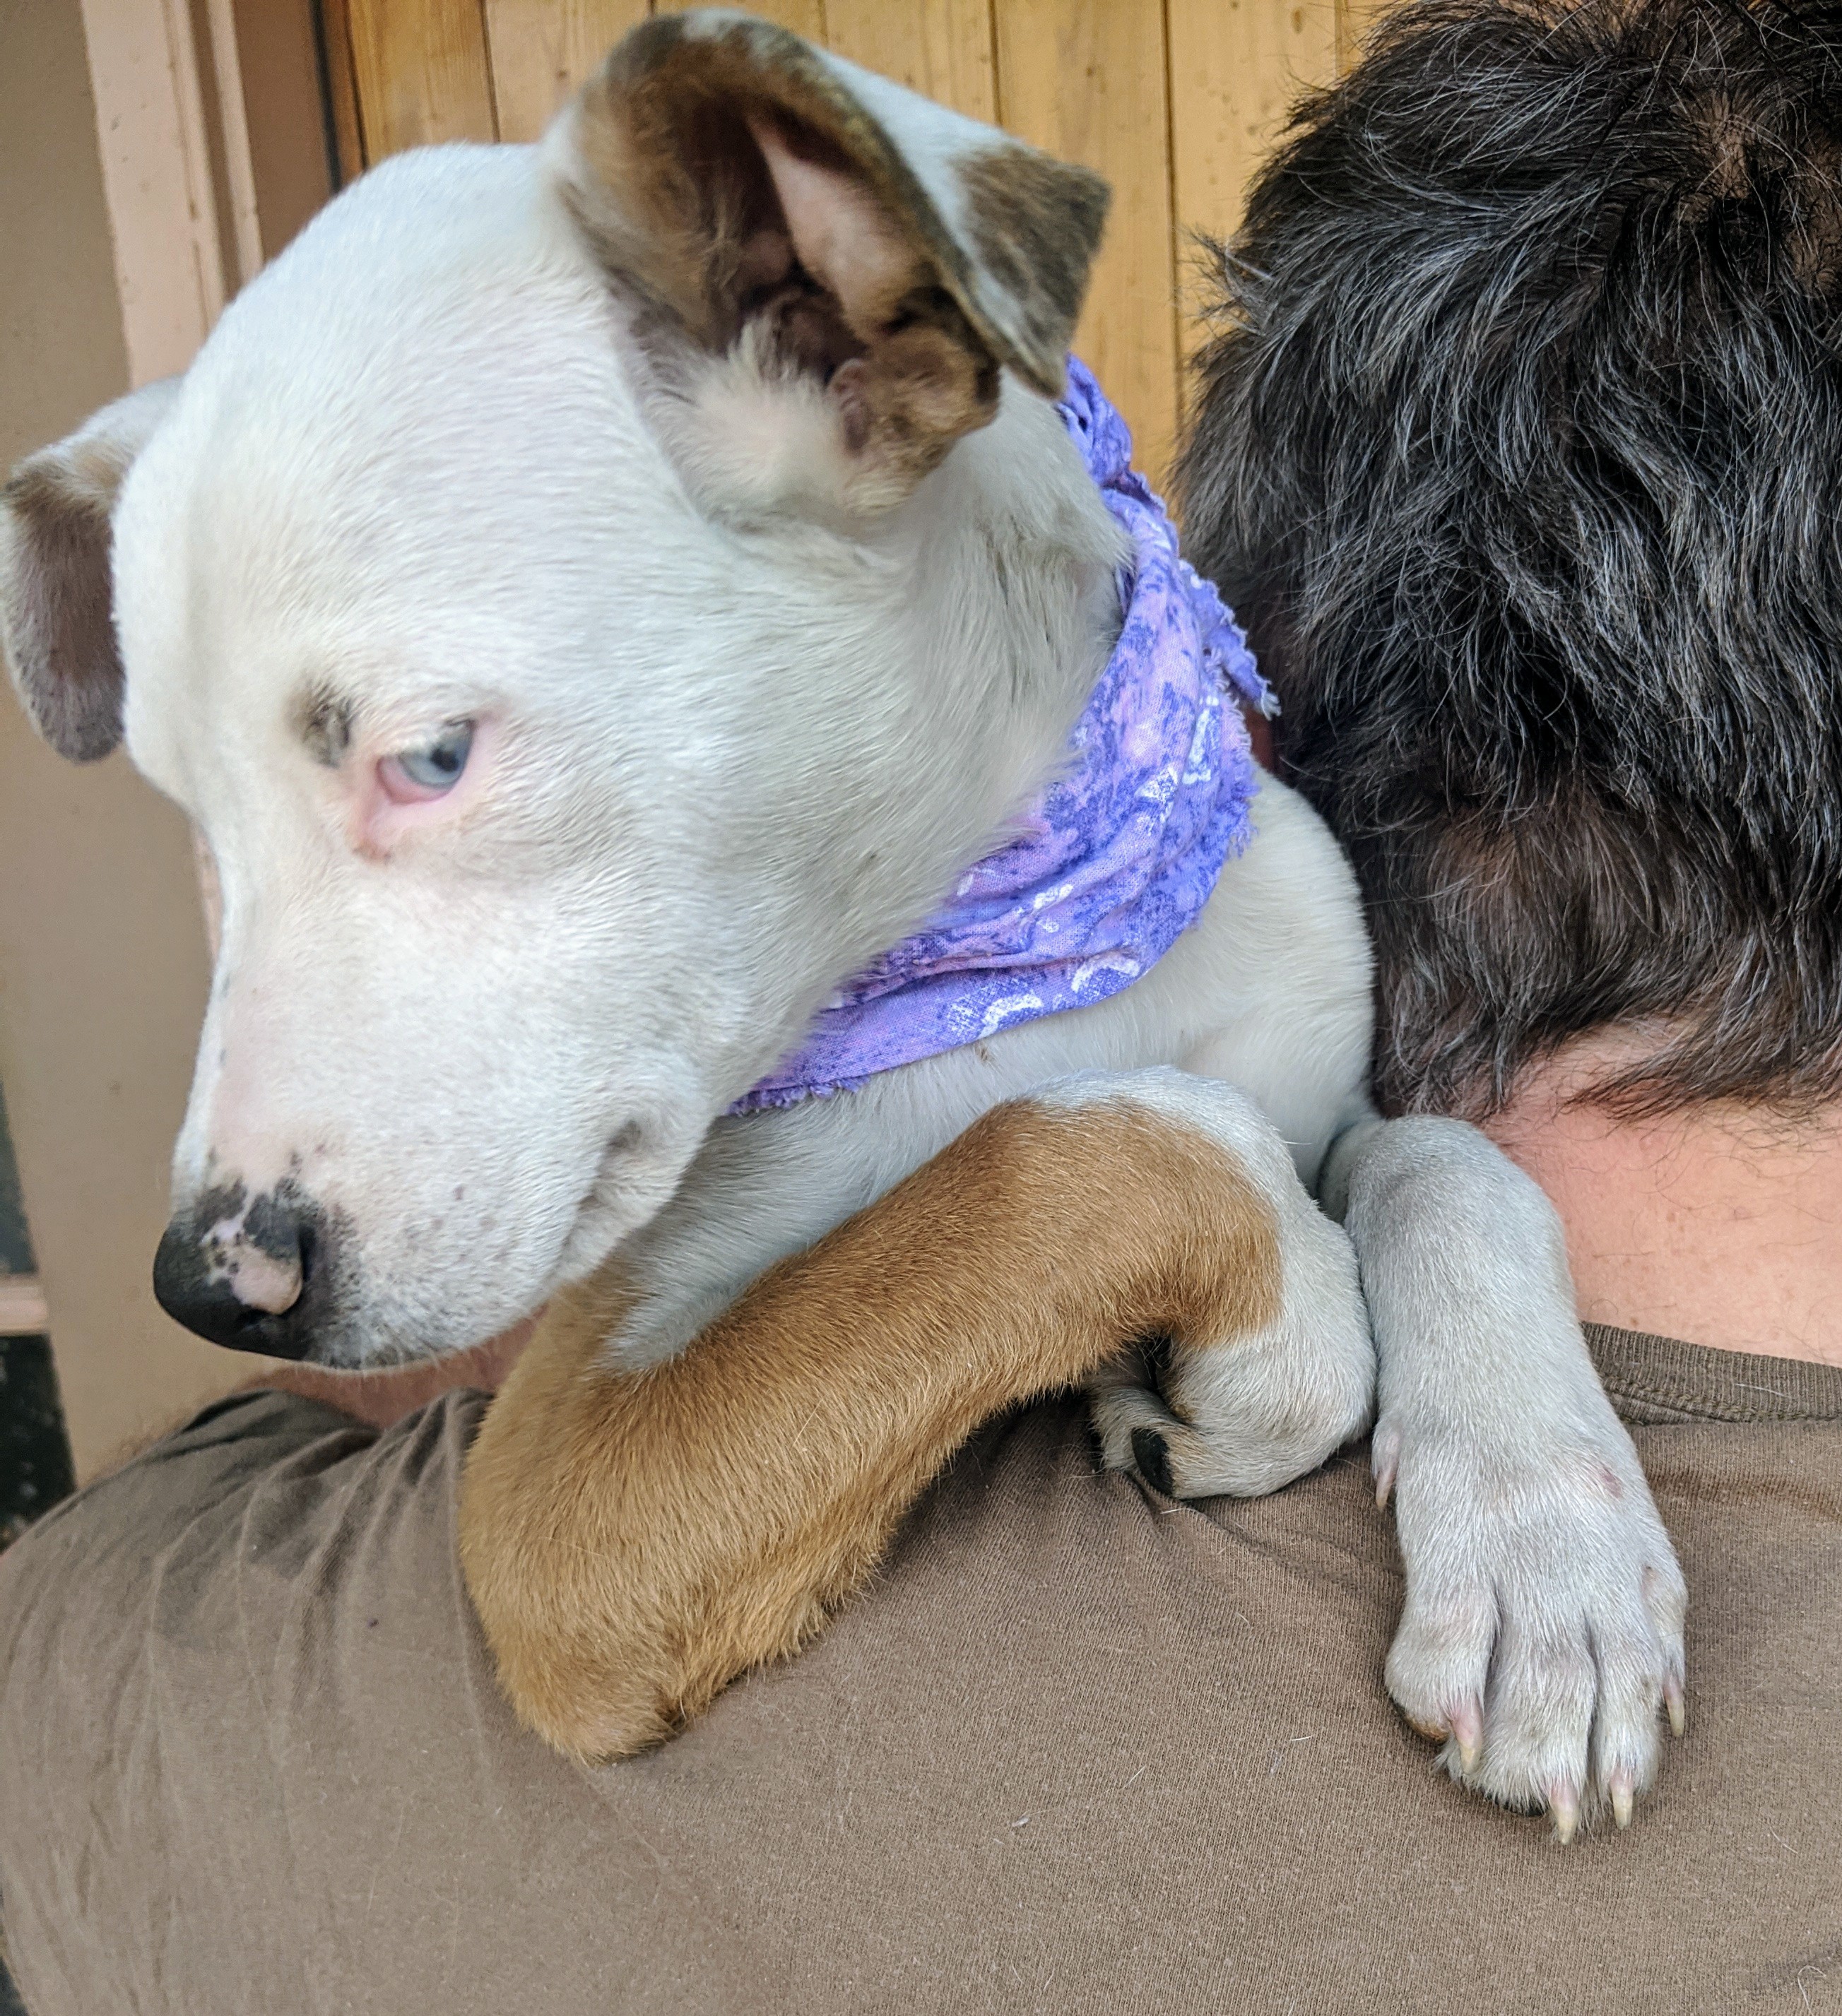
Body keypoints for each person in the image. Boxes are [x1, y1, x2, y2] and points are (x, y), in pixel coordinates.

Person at [2, 0, 1838, 2008]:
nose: (222, 1172)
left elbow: (1354, 1149)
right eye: (220, 829)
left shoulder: (1232, 871)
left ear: (845, 330)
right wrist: (1165, 1194)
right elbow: (571, 1582)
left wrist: (1443, 1246)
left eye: (429, 758)